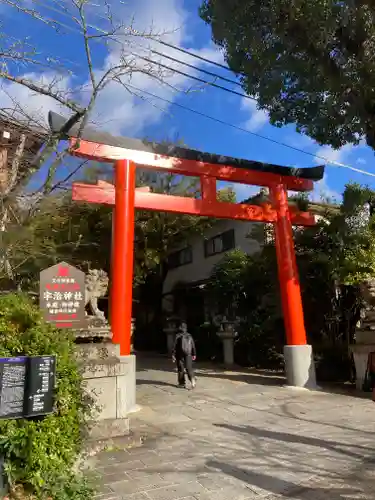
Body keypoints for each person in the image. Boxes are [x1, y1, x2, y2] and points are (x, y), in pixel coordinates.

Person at [172, 322, 196, 389]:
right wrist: (194, 354)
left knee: (180, 369)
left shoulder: (177, 335)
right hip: (188, 354)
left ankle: (182, 383)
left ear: (180, 327)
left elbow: (174, 346)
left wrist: (173, 354)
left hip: (179, 354)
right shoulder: (189, 335)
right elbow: (193, 345)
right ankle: (192, 379)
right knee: (189, 368)